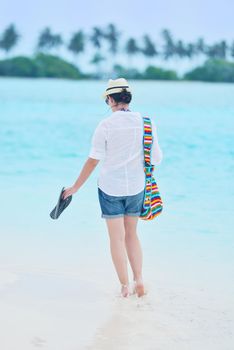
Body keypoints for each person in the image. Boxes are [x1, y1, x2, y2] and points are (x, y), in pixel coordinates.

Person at [62, 78, 163, 298]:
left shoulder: (105, 125)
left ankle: (125, 287)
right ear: (129, 99)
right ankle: (139, 280)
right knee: (132, 235)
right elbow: (156, 158)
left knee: (116, 238)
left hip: (110, 188)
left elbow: (93, 160)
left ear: (110, 100)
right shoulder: (147, 122)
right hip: (136, 187)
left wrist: (75, 188)